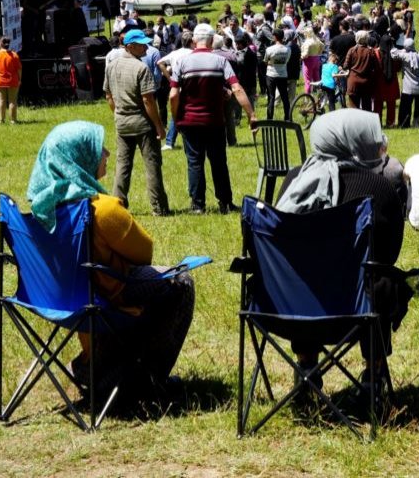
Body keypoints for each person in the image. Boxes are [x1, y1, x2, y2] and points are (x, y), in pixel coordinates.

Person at [27, 121, 196, 399]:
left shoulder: (42, 210)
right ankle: (146, 381)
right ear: (78, 159)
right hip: (103, 298)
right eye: (96, 149)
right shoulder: (102, 209)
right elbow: (144, 253)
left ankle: (92, 368)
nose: (106, 153)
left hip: (58, 300)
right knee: (180, 281)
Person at [277, 110, 410, 382]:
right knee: (382, 280)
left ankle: (305, 365)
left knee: (305, 274)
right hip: (355, 311)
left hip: (289, 308)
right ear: (354, 142)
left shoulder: (293, 182)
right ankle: (374, 372)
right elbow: (390, 254)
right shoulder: (378, 187)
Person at [168, 23, 256, 214]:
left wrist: (176, 117)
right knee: (219, 163)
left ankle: (198, 205)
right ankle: (225, 202)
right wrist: (251, 114)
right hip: (215, 122)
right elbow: (237, 89)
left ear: (193, 41)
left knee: (194, 163)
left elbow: (174, 95)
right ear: (210, 40)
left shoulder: (180, 62)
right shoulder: (220, 62)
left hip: (189, 121)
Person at [106, 29, 171, 216]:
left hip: (122, 123)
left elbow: (108, 96)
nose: (146, 47)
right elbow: (148, 101)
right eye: (142, 44)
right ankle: (159, 208)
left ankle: (117, 206)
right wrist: (159, 125)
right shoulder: (141, 68)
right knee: (152, 165)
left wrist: (118, 113)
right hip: (143, 124)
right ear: (130, 46)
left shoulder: (111, 66)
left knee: (122, 165)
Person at [393, 39, 419, 129]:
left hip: (408, 88)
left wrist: (401, 50)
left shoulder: (404, 56)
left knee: (405, 108)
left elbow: (393, 53)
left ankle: (404, 124)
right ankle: (418, 124)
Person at [0, 37, 21, 124]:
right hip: (13, 81)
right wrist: (19, 79)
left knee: (0, 101)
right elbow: (19, 70)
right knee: (12, 101)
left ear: (0, 44)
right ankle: (13, 120)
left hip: (0, 81)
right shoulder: (14, 55)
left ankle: (1, 120)